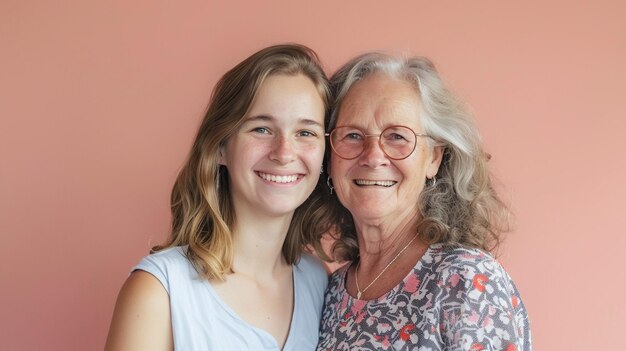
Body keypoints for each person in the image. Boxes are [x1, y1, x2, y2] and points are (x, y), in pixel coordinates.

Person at [105, 44, 334, 351]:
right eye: (262, 129)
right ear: (220, 147)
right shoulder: (160, 291)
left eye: (306, 133)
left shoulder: (318, 282)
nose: (284, 153)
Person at [314, 53, 531, 350]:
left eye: (397, 136)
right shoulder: (332, 291)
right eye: (352, 135)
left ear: (433, 158)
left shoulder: (466, 281)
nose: (373, 156)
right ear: (329, 155)